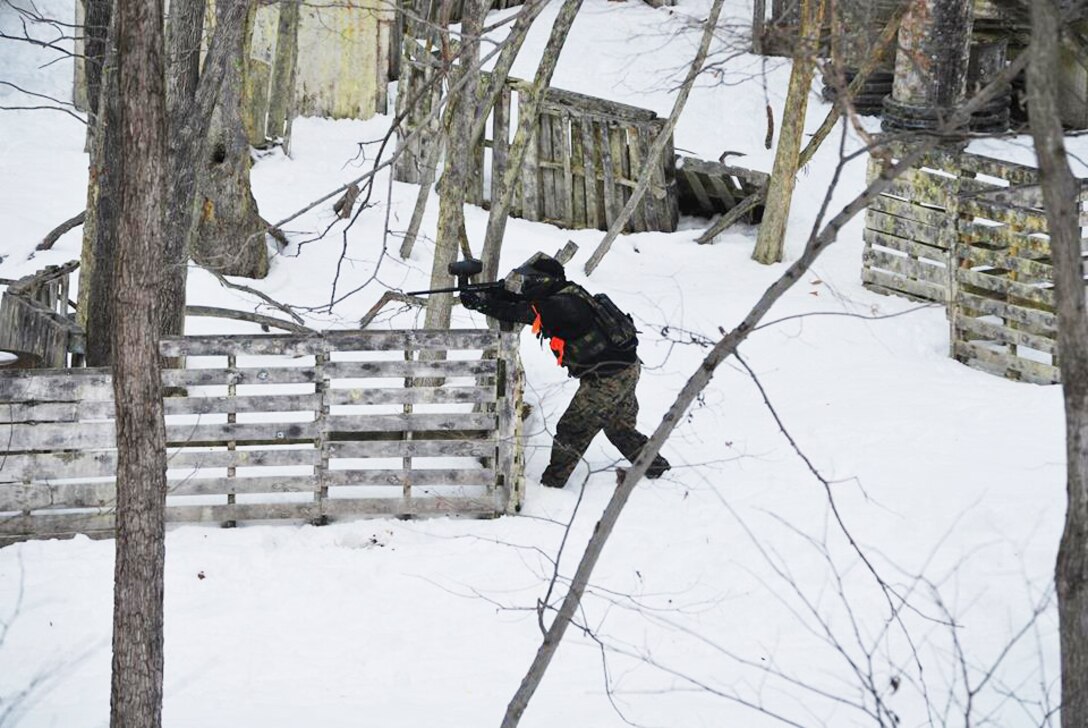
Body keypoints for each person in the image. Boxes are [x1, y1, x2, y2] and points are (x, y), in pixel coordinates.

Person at [459, 256, 671, 488]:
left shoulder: (561, 306)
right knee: (618, 428)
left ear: (543, 280)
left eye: (531, 279)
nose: (527, 284)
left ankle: (552, 486)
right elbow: (526, 304)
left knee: (572, 430)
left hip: (607, 379)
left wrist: (481, 303)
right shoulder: (567, 292)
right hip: (626, 368)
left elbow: (520, 312)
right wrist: (498, 293)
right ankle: (656, 467)